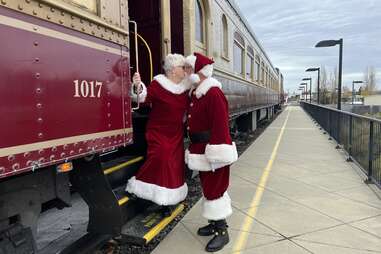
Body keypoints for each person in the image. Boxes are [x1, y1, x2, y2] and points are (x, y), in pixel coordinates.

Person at [184, 53, 238, 252]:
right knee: (208, 187)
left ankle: (222, 232)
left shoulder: (213, 93)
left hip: (213, 150)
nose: (187, 73)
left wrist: (217, 154)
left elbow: (221, 125)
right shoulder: (197, 93)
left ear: (199, 72)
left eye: (189, 69)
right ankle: (214, 223)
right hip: (201, 148)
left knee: (216, 189)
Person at [126, 54, 191, 216]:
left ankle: (166, 203)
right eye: (182, 67)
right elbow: (143, 98)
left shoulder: (185, 88)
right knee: (161, 158)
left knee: (174, 166)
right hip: (158, 131)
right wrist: (137, 86)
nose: (185, 70)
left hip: (175, 133)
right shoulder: (159, 84)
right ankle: (139, 187)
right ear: (173, 70)